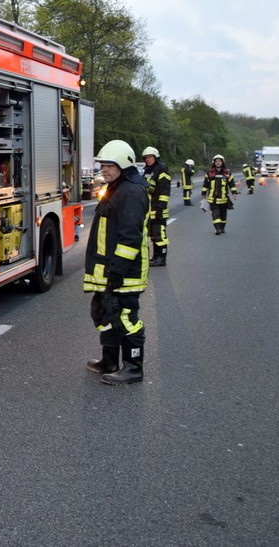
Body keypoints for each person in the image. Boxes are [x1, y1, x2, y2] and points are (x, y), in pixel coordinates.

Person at [84, 139, 150, 385]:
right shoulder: (116, 187)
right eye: (102, 165)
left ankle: (133, 367)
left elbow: (130, 236)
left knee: (125, 318)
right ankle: (109, 361)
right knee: (104, 313)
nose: (104, 169)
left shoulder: (132, 191)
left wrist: (118, 271)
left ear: (124, 164)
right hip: (109, 270)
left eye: (110, 165)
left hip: (124, 272)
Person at [141, 146, 171, 267]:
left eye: (150, 157)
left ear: (155, 157)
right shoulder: (147, 170)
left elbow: (164, 189)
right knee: (153, 235)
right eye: (146, 157)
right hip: (148, 209)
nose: (148, 159)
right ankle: (155, 256)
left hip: (158, 208)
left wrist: (160, 207)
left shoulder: (161, 169)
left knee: (160, 234)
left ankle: (161, 258)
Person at [202, 154, 237, 235]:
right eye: (216, 161)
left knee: (223, 215)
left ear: (222, 162)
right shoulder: (210, 173)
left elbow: (231, 184)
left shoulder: (227, 172)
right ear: (214, 162)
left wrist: (234, 193)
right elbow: (205, 184)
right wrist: (203, 193)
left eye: (219, 161)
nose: (218, 163)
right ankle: (217, 229)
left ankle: (222, 227)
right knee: (215, 214)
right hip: (213, 199)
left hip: (224, 199)